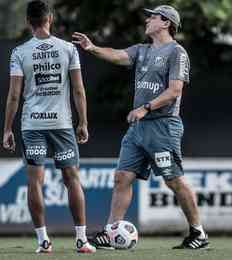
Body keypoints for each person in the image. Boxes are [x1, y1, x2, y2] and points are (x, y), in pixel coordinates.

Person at [73, 5, 209, 249]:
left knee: (174, 180)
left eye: (153, 16)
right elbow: (117, 55)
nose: (148, 19)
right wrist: (92, 48)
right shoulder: (142, 50)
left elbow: (175, 91)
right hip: (138, 129)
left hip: (163, 126)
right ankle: (111, 231)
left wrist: (145, 107)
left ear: (166, 23)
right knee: (122, 177)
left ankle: (198, 233)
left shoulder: (177, 52)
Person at [2, 0, 96, 254]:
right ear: (50, 18)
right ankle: (81, 240)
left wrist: (7, 129)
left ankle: (43, 242)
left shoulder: (20, 52)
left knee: (35, 183)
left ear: (27, 22)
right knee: (72, 179)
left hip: (32, 125)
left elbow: (13, 95)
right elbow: (78, 89)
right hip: (62, 125)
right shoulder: (68, 49)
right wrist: (83, 122)